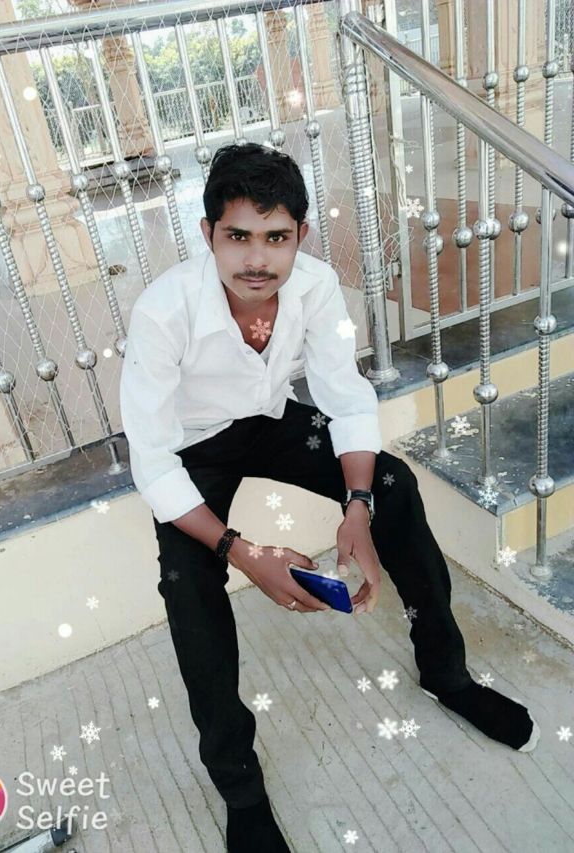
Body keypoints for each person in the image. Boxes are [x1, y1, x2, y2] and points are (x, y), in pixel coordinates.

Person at [119, 142, 540, 852]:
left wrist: (358, 508)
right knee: (187, 580)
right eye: (238, 237)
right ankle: (240, 787)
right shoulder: (164, 311)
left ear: (301, 235)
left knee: (394, 484)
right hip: (192, 449)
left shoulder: (314, 286)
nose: (258, 259)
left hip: (269, 419)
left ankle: (447, 674)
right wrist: (244, 552)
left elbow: (345, 397)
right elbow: (154, 462)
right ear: (208, 234)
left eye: (276, 237)